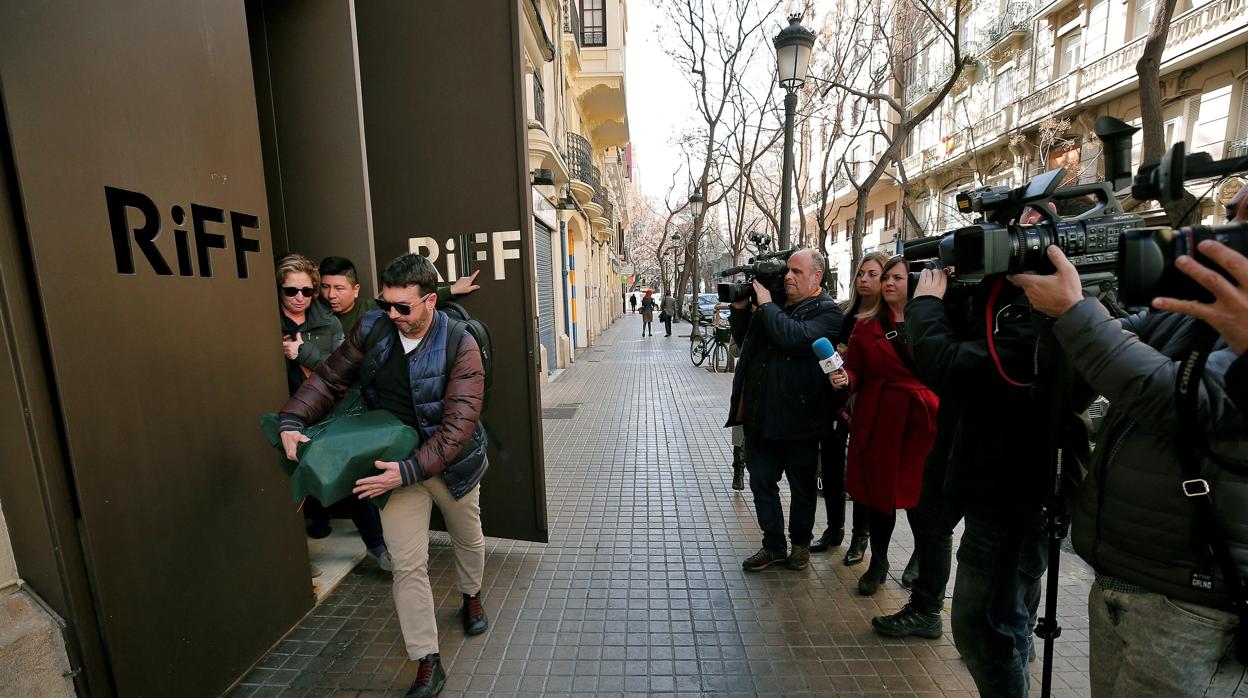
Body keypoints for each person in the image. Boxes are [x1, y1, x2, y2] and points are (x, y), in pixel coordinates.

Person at [1009, 219, 1248, 694]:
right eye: (1234, 213)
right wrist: (1061, 298)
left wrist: (1075, 310)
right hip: (1123, 583)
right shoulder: (1193, 309)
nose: (1228, 228)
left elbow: (1174, 399)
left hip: (1195, 607)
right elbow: (1111, 341)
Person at [277, 254, 489, 698]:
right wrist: (292, 419)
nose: (392, 314)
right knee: (408, 565)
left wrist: (408, 470)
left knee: (467, 538)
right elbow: (331, 378)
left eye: (403, 307)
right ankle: (427, 660)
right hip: (392, 468)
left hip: (449, 466)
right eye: (385, 303)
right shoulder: (374, 327)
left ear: (430, 301)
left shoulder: (460, 343)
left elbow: (457, 429)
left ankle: (471, 594)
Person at [902, 252, 1078, 697]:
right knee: (1005, 623)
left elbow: (951, 365)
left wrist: (923, 306)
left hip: (1014, 493)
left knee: (982, 626)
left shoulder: (1042, 313)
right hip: (990, 484)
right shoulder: (1006, 302)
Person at [726, 248, 843, 572]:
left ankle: (800, 544)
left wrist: (765, 305)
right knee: (761, 482)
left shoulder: (827, 313)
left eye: (798, 272)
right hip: (761, 416)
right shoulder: (775, 305)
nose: (788, 277)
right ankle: (773, 544)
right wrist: (740, 310)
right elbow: (746, 340)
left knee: (802, 487)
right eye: (787, 271)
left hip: (802, 420)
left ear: (817, 277)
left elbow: (794, 339)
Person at [829, 256, 939, 596]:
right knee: (879, 498)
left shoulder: (936, 322)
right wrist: (845, 377)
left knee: (919, 498)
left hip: (922, 421)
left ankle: (921, 556)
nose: (889, 283)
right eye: (886, 278)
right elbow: (856, 368)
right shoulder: (866, 323)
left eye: (898, 278)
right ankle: (879, 561)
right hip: (878, 418)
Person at [812, 251, 889, 563]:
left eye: (874, 274)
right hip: (837, 405)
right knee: (831, 470)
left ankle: (861, 537)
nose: (865, 280)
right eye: (862, 274)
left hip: (870, 409)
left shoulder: (890, 319)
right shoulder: (844, 316)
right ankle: (834, 529)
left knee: (862, 475)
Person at [319, 255, 481, 335]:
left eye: (339, 288)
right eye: (325, 287)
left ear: (355, 289)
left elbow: (415, 298)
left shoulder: (370, 312)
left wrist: (452, 289)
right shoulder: (315, 314)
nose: (331, 294)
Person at [278, 254, 343, 397]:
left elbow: (342, 371)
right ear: (280, 290)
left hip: (319, 403)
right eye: (291, 291)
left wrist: (302, 352)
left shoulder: (329, 322)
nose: (300, 298)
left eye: (307, 291)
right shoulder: (267, 323)